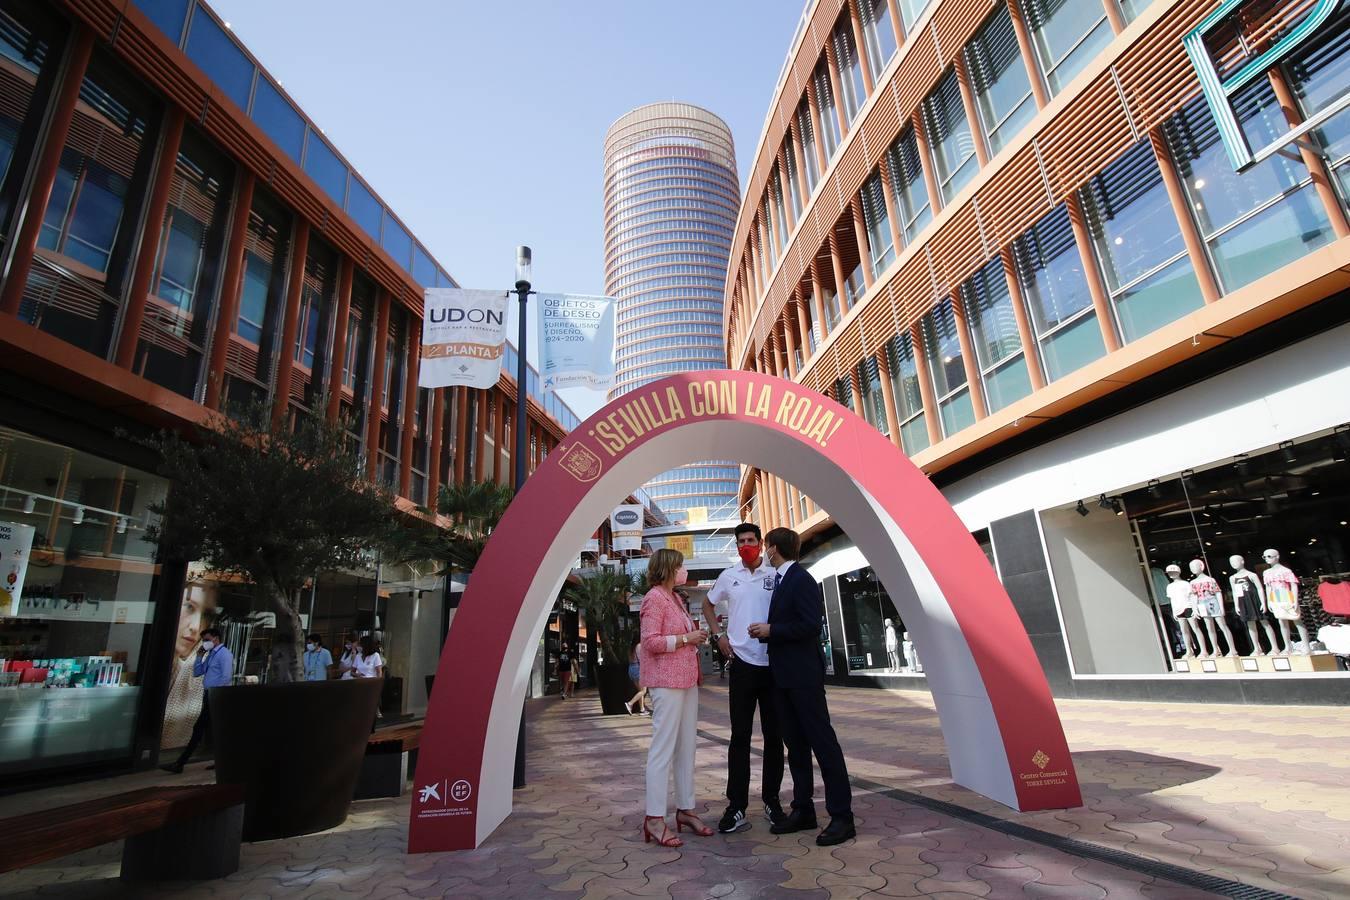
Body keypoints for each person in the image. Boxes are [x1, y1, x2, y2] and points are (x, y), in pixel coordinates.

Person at [748, 527, 855, 846]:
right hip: (783, 678)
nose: (764, 552)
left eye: (766, 547)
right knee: (795, 745)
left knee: (823, 743)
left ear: (773, 549)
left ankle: (842, 816)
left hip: (803, 677)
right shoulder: (783, 580)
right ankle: (803, 809)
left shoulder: (800, 579)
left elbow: (810, 624)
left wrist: (772, 629)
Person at [702, 522, 786, 834]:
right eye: (741, 541)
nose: (746, 545)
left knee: (774, 737)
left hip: (773, 663)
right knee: (740, 737)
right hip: (741, 665)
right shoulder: (728, 576)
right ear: (736, 545)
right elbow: (708, 604)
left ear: (762, 543)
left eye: (751, 540)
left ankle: (772, 800)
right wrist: (718, 636)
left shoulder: (775, 573)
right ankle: (736, 806)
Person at [638, 548, 712, 847]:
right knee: (662, 750)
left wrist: (693, 639)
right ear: (668, 568)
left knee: (686, 748)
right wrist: (686, 639)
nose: (683, 570)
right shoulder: (654, 598)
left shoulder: (677, 599)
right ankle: (654, 819)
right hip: (666, 683)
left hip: (686, 681)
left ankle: (685, 810)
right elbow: (650, 642)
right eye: (680, 565)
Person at [162, 626, 233, 774]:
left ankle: (180, 763)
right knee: (213, 731)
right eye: (203, 640)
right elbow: (197, 672)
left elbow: (226, 677)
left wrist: (216, 694)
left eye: (207, 640)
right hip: (208, 694)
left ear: (215, 638)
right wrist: (199, 657)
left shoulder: (224, 655)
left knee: (199, 729)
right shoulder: (211, 655)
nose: (204, 643)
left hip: (216, 696)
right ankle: (222, 760)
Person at [626, 640, 649, 716]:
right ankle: (630, 704)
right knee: (643, 691)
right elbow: (641, 660)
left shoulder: (630, 648)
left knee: (640, 691)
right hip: (638, 668)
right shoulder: (639, 646)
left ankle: (642, 709)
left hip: (631, 668)